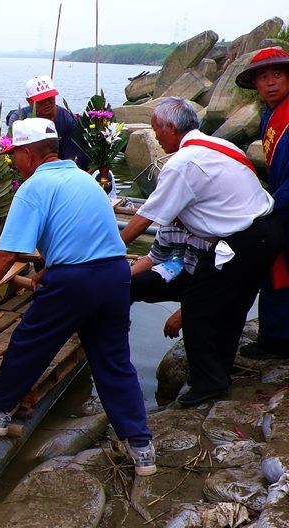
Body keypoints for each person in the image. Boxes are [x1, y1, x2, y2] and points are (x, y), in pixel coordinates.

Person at [0, 117, 156, 476]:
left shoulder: (34, 187)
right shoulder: (85, 179)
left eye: (14, 155)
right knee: (113, 361)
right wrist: (52, 266)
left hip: (76, 280)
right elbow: (84, 231)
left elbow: (4, 256)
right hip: (114, 275)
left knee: (31, 342)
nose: (13, 161)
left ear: (29, 154)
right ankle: (140, 446)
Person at [120, 97, 281, 407]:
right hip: (264, 232)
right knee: (233, 304)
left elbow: (145, 218)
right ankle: (218, 372)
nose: (155, 137)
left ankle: (209, 381)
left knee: (197, 303)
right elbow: (158, 255)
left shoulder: (182, 163)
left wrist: (111, 248)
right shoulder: (219, 146)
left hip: (242, 239)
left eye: (156, 131)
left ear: (170, 127)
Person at [235, 47, 289, 359]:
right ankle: (276, 335)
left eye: (277, 75)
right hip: (280, 197)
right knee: (275, 267)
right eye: (263, 77)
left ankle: (277, 340)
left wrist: (271, 207)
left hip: (284, 203)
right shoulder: (271, 113)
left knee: (277, 266)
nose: (270, 82)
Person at [130, 223, 210, 339]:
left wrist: (182, 313)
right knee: (131, 283)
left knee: (197, 322)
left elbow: (219, 283)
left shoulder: (212, 232)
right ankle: (117, 326)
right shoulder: (169, 224)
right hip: (187, 269)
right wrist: (122, 276)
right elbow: (155, 257)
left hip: (216, 283)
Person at [6, 75, 89, 170]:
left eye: (50, 97)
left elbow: (71, 159)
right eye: (41, 100)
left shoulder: (69, 121)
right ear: (30, 101)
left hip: (61, 169)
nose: (47, 103)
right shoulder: (19, 120)